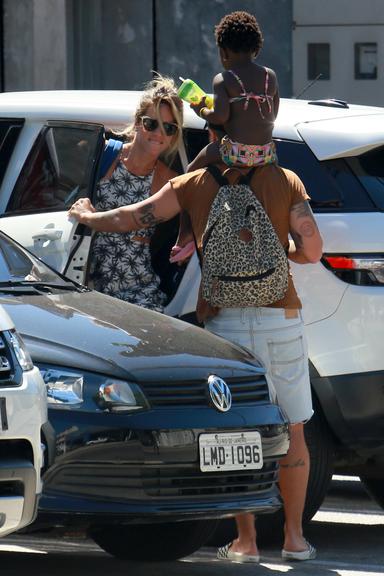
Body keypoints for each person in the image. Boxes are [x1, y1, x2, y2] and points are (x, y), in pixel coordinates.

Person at [68, 158, 323, 562]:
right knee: (293, 429)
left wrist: (88, 216)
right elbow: (312, 250)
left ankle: (247, 542)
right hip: (281, 318)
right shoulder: (287, 179)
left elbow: (133, 217)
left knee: (238, 430)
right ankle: (294, 539)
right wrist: (273, 248)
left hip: (226, 323)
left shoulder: (193, 183)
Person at [170, 10, 279, 263]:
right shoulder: (269, 76)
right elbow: (273, 114)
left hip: (234, 153)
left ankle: (184, 234)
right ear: (257, 48)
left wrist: (199, 108)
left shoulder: (224, 79)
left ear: (223, 51)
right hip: (267, 154)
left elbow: (218, 117)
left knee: (189, 173)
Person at [88, 74, 183, 312]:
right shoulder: (103, 156)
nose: (158, 134)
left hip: (137, 293)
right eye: (152, 124)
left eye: (169, 128)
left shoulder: (168, 181)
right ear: (138, 122)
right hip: (84, 285)